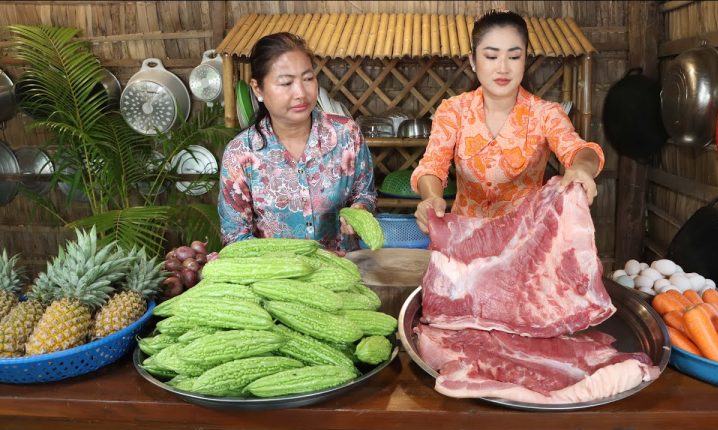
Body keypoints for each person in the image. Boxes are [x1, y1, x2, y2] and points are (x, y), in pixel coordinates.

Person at [411, 10, 604, 233]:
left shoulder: (546, 113)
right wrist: (432, 197)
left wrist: (582, 167)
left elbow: (580, 150)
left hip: (526, 242)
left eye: (513, 57)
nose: (503, 67)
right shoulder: (454, 110)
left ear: (525, 60)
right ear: (473, 60)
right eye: (491, 57)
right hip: (465, 239)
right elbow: (432, 165)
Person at [218, 32, 376, 253]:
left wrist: (360, 210)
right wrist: (290, 266)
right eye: (286, 83)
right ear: (258, 89)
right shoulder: (241, 154)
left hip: (343, 273)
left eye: (308, 78)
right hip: (276, 283)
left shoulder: (346, 135)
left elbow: (364, 193)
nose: (301, 93)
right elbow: (234, 236)